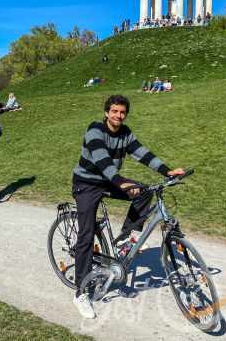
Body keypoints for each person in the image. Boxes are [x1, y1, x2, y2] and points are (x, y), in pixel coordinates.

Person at [71, 95, 185, 318]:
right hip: (86, 184)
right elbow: (103, 162)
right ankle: (81, 293)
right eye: (114, 111)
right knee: (86, 237)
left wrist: (167, 171)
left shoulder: (125, 133)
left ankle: (125, 237)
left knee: (145, 191)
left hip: (109, 181)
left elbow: (143, 154)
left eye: (122, 112)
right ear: (106, 113)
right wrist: (122, 182)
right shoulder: (95, 130)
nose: (118, 116)